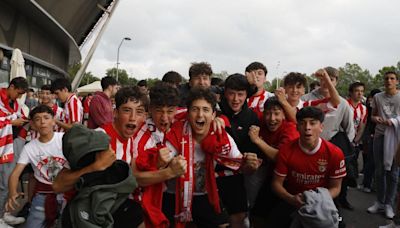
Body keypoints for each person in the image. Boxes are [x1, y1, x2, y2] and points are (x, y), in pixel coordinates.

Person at [162, 88, 260, 228]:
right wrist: (169, 165)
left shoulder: (221, 135)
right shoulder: (176, 132)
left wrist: (250, 165)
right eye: (195, 109)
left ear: (214, 115)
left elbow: (240, 165)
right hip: (175, 195)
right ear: (188, 114)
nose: (200, 115)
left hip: (204, 194)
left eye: (206, 110)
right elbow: (162, 162)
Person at [271, 106, 346, 227]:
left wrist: (316, 200)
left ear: (321, 127)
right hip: (293, 198)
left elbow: (336, 188)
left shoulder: (335, 153)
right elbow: (276, 184)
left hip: (323, 201)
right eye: (302, 123)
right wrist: (291, 199)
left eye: (313, 123)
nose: (307, 128)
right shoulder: (286, 150)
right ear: (297, 127)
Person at [132, 82, 186, 227]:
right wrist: (169, 172)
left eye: (170, 111)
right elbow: (135, 179)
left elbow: (197, 112)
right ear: (149, 110)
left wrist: (219, 119)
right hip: (144, 202)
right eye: (159, 111)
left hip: (172, 198)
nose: (164, 118)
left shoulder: (180, 118)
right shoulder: (140, 137)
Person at [302, 67, 355, 213]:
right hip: (308, 148)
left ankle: (332, 211)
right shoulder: (307, 99)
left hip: (331, 149)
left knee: (333, 184)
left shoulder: (343, 104)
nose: (326, 82)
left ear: (336, 82)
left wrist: (342, 150)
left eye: (330, 79)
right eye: (323, 79)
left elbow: (349, 129)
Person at [6, 105, 69, 227]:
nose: (43, 122)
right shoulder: (29, 148)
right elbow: (15, 174)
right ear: (33, 124)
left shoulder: (64, 139)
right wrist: (13, 193)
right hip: (43, 193)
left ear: (53, 120)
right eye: (37, 119)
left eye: (46, 117)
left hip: (67, 192)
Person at [248, 96, 300, 226]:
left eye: (276, 113)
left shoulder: (291, 128)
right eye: (268, 113)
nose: (271, 119)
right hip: (269, 174)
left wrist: (257, 140)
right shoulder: (260, 121)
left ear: (284, 115)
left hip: (289, 180)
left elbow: (279, 158)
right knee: (257, 212)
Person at [218, 73, 260, 227]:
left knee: (239, 215)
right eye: (231, 94)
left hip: (236, 174)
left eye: (240, 94)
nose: (236, 99)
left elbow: (252, 157)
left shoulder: (252, 117)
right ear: (225, 93)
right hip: (210, 172)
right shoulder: (214, 111)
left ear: (246, 95)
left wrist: (251, 163)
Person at [367, 71, 400, 219]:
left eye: (392, 78)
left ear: (397, 81)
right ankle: (379, 201)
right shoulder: (377, 97)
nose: (389, 81)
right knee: (379, 170)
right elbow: (372, 115)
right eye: (386, 78)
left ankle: (389, 204)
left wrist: (393, 121)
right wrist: (377, 118)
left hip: (396, 137)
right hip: (380, 135)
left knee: (393, 173)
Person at [0, 77, 29, 224]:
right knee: (5, 182)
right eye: (18, 93)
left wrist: (24, 120)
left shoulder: (14, 103)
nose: (19, 97)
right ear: (11, 86)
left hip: (11, 144)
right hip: (4, 145)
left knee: (8, 181)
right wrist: (11, 122)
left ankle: (3, 213)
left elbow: (16, 116)